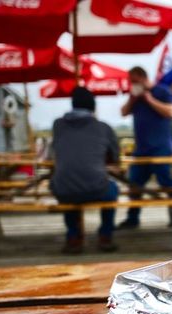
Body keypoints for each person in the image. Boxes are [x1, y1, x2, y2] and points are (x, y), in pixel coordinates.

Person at [50, 87, 119, 254]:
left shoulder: (58, 125)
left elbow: (56, 153)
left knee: (68, 187)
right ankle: (105, 236)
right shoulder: (103, 128)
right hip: (96, 186)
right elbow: (114, 158)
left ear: (72, 105)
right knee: (113, 190)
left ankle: (73, 237)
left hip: (62, 189)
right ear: (93, 107)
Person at [117, 66, 172, 230]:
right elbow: (123, 112)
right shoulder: (135, 99)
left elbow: (171, 112)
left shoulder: (162, 91)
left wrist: (149, 99)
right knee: (135, 184)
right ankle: (132, 218)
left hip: (161, 147)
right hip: (141, 149)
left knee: (167, 182)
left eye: (134, 81)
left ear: (143, 78)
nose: (132, 84)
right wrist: (132, 98)